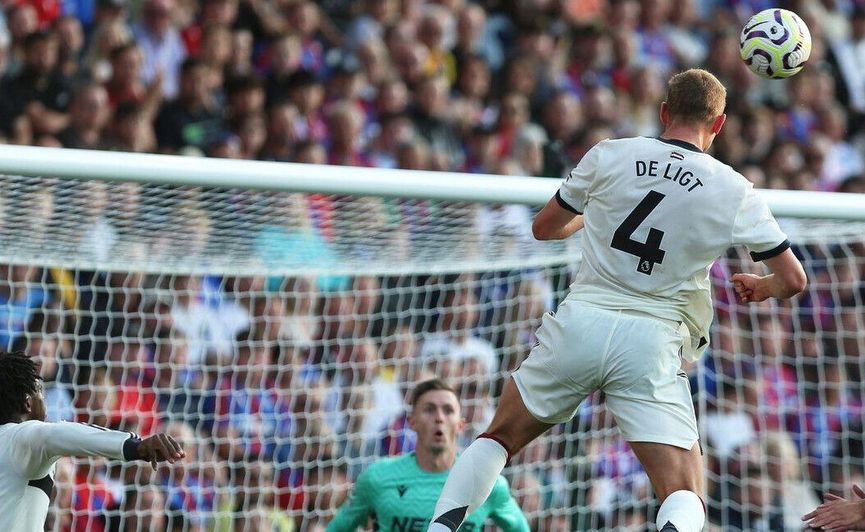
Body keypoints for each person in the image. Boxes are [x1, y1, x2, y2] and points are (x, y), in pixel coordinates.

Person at [427, 68, 807, 532]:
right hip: (652, 342)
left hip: (581, 322)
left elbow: (544, 228)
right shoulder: (733, 189)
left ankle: (440, 528)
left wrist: (594, 221)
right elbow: (793, 279)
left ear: (664, 112)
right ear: (720, 124)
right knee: (684, 492)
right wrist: (761, 286)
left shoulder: (611, 154)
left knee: (499, 438)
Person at [0, 351, 185, 531]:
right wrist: (135, 445)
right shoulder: (25, 434)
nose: (45, 402)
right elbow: (61, 433)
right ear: (27, 402)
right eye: (40, 392)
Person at [327, 378, 528, 531]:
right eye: (430, 410)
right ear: (412, 421)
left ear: (460, 425)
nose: (439, 418)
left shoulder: (488, 482)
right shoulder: (376, 477)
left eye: (448, 410)